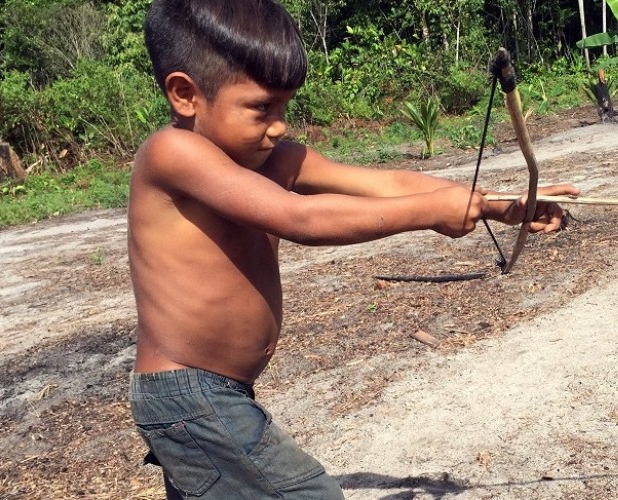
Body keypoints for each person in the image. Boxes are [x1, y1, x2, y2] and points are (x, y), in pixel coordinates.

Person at [126, 0, 579, 498]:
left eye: (284, 107)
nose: (279, 126)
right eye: (261, 108)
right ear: (185, 94)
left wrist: (499, 205)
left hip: (216, 394)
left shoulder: (278, 158)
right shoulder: (174, 155)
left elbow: (386, 183)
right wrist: (432, 212)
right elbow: (299, 218)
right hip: (189, 395)